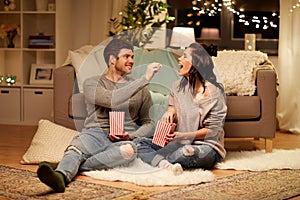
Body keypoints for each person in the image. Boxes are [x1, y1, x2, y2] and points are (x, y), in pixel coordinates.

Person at [37, 38, 161, 192]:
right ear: (112, 59)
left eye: (132, 57)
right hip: (95, 133)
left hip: (123, 139)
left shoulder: (140, 88)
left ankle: (74, 166)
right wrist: (144, 79)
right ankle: (61, 177)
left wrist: (131, 135)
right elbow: (111, 99)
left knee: (129, 151)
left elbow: (149, 122)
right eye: (126, 56)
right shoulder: (92, 83)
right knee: (76, 148)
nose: (131, 61)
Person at [134, 43, 227, 175]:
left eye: (184, 56)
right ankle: (166, 164)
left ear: (196, 63)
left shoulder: (213, 92)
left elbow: (213, 131)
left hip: (206, 146)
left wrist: (183, 136)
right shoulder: (177, 87)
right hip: (179, 142)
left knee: (186, 153)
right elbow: (173, 108)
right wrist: (170, 112)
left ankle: (156, 160)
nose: (179, 59)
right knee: (138, 143)